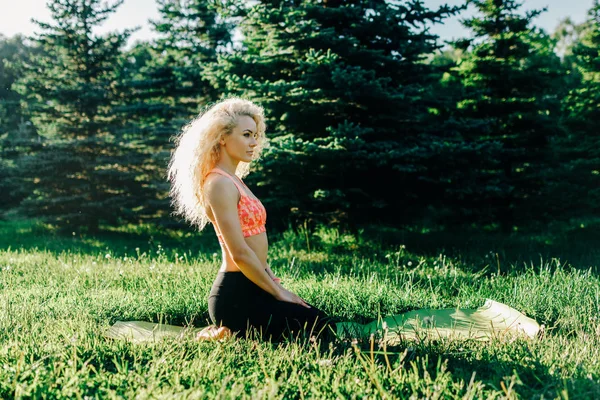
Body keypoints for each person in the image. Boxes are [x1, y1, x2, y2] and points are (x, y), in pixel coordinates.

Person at [167, 97, 346, 343]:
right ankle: (228, 330)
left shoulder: (234, 180)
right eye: (247, 135)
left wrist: (271, 281)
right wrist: (279, 292)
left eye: (256, 135)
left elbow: (253, 246)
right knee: (317, 331)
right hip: (236, 294)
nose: (254, 142)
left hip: (256, 284)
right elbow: (239, 252)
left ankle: (231, 333)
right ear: (222, 137)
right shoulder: (218, 184)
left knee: (323, 325)